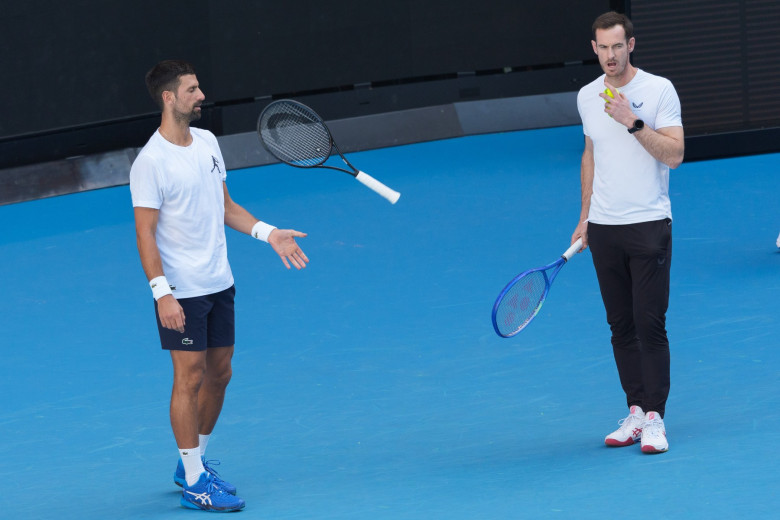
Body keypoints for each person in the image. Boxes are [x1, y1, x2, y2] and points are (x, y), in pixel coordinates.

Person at [130, 60, 309, 511]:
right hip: (182, 291)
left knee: (220, 373)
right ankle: (193, 481)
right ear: (170, 98)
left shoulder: (208, 143)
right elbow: (144, 234)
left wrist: (268, 233)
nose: (201, 95)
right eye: (192, 89)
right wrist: (162, 292)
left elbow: (225, 206)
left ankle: (193, 462)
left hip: (219, 281)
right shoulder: (149, 163)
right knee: (187, 377)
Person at [571, 12, 684, 454]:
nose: (611, 55)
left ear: (631, 45)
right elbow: (590, 155)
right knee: (620, 326)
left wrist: (632, 121)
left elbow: (674, 154)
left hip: (649, 225)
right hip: (604, 229)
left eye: (618, 46)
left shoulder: (658, 90)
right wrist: (585, 215)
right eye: (603, 47)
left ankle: (656, 417)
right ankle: (635, 410)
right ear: (594, 48)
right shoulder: (585, 96)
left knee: (649, 324)